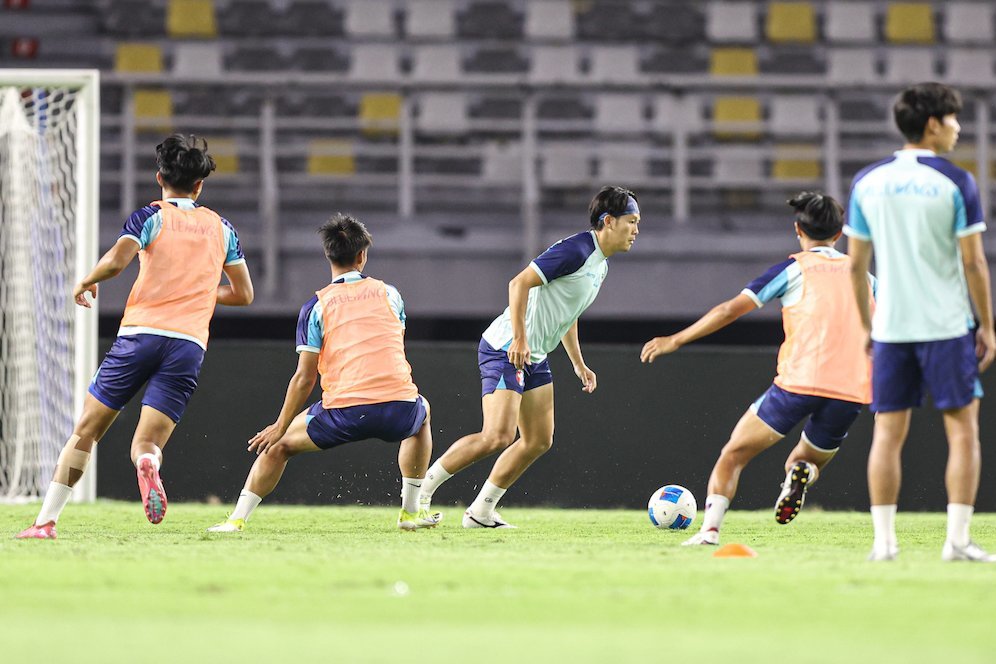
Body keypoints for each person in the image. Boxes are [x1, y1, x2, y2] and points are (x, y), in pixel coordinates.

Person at [16, 134, 253, 539]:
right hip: (188, 346)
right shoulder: (222, 228)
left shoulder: (150, 217)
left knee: (86, 431)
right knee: (146, 443)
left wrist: (87, 280)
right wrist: (197, 292)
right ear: (200, 186)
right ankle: (149, 464)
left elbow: (116, 261)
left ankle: (46, 522)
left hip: (139, 336)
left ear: (159, 177)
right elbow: (244, 294)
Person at [641, 192, 874, 547]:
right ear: (839, 233)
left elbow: (729, 311)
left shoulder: (794, 268)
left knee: (733, 455)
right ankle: (801, 475)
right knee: (807, 460)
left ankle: (709, 532)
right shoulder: (865, 277)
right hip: (851, 389)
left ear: (798, 229)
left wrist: (676, 339)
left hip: (799, 383)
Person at [416, 186, 640, 528]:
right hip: (507, 347)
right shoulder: (576, 249)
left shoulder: (601, 265)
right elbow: (518, 283)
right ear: (608, 221)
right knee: (497, 435)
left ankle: (481, 512)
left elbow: (567, 312)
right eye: (631, 221)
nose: (636, 229)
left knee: (538, 440)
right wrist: (519, 338)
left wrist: (578, 363)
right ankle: (419, 496)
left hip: (533, 355)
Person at [207, 213, 439, 533]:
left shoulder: (316, 307)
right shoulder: (391, 294)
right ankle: (410, 513)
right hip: (398, 406)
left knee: (279, 446)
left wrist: (280, 425)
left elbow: (305, 378)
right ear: (362, 255)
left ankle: (235, 520)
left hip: (344, 411)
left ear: (328, 255)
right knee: (423, 412)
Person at [846, 82, 996, 562]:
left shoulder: (867, 182)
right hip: (947, 327)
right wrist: (987, 326)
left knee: (887, 435)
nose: (958, 128)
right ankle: (956, 542)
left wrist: (867, 326)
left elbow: (854, 265)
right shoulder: (957, 182)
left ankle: (884, 545)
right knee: (963, 432)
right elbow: (973, 264)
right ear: (933, 124)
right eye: (953, 119)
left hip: (890, 327)